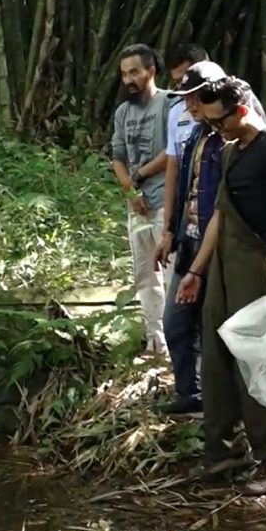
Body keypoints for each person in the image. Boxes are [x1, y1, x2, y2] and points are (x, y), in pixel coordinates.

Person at [175, 76, 266, 496]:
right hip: (222, 268)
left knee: (257, 361)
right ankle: (224, 450)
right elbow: (219, 217)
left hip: (257, 265)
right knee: (215, 357)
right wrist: (196, 272)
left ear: (242, 109)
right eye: (211, 124)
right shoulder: (229, 152)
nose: (216, 130)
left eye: (219, 121)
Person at [152, 60, 266, 416]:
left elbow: (226, 205)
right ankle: (191, 394)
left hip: (221, 247)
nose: (189, 106)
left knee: (216, 326)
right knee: (175, 322)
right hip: (188, 241)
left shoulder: (236, 139)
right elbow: (184, 181)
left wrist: (201, 267)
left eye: (196, 98)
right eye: (186, 98)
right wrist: (169, 230)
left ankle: (227, 406)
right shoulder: (198, 134)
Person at [110, 43, 176, 356]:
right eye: (124, 74)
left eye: (134, 72)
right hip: (137, 206)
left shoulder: (171, 104)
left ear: (151, 71)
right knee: (144, 275)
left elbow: (174, 152)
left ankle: (180, 340)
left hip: (166, 200)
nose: (128, 80)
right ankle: (156, 340)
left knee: (173, 273)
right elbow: (118, 157)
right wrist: (130, 191)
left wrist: (140, 177)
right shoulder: (123, 112)